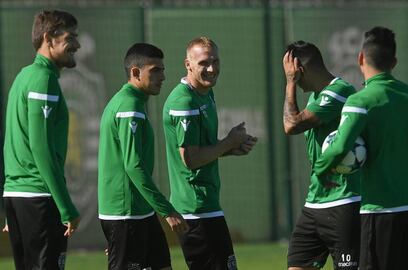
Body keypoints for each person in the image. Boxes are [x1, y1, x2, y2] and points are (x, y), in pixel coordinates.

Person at [314, 26, 408, 270]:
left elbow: (339, 150)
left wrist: (322, 170)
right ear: (394, 61)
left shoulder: (360, 101)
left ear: (360, 58)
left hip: (379, 213)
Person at [162, 37, 257, 270]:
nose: (212, 68)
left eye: (215, 61)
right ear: (188, 64)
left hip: (206, 204)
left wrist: (230, 150)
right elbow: (191, 159)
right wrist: (228, 142)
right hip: (194, 209)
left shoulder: (205, 92)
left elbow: (201, 149)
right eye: (204, 63)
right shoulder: (184, 101)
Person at [98, 43, 188, 270]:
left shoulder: (133, 102)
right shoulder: (129, 106)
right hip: (126, 213)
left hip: (140, 212)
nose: (163, 76)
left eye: (163, 69)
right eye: (155, 70)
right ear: (135, 73)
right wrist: (167, 210)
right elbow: (133, 166)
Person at [2, 9, 81, 269]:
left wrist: (16, 206)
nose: (77, 45)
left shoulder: (24, 76)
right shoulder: (42, 79)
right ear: (49, 38)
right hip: (39, 197)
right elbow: (41, 147)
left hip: (18, 196)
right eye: (71, 38)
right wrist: (65, 206)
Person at [283, 41, 361, 270]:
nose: (289, 78)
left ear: (300, 70)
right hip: (315, 202)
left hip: (344, 201)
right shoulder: (314, 97)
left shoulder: (340, 91)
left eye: (289, 72)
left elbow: (290, 125)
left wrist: (289, 84)